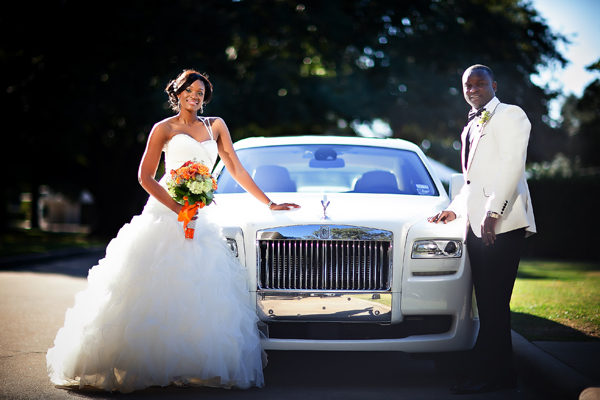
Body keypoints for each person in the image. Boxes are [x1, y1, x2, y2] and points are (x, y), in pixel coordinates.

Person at [46, 69, 300, 393]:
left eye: (201, 92)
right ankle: (144, 364)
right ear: (177, 92)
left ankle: (186, 365)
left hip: (199, 219)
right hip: (166, 210)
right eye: (190, 90)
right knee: (153, 283)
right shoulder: (162, 129)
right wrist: (178, 208)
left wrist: (269, 203)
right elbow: (145, 177)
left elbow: (234, 167)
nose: (195, 96)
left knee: (199, 288)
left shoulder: (216, 126)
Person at [428, 64, 536, 394]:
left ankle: (488, 375)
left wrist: (494, 212)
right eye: (467, 84)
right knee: (488, 305)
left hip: (501, 225)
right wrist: (453, 209)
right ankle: (501, 374)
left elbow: (512, 165)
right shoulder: (470, 125)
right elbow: (472, 183)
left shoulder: (510, 114)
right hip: (476, 227)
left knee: (494, 302)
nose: (473, 88)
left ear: (494, 84)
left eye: (479, 83)